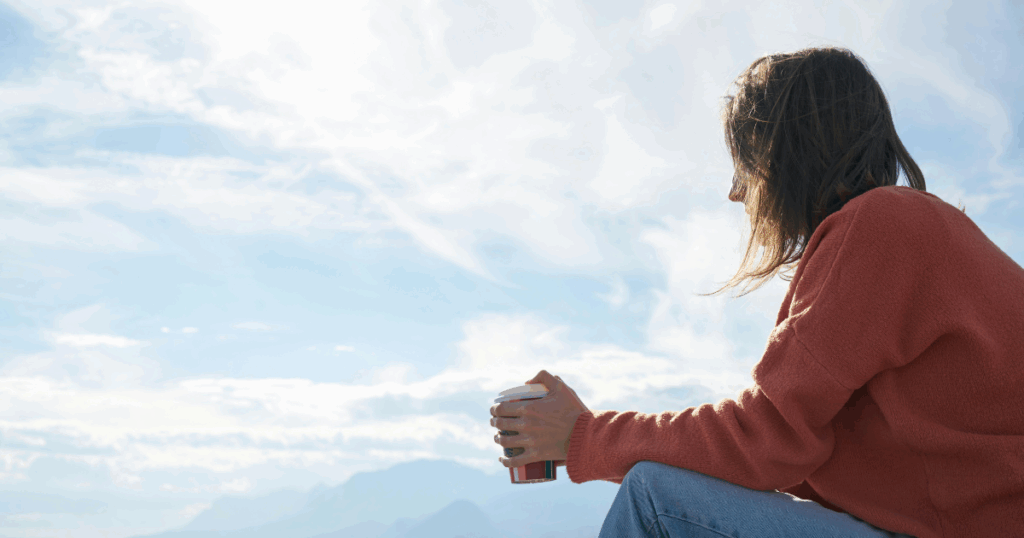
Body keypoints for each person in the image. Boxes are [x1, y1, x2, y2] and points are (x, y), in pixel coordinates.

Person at [489, 46, 1024, 538]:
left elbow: (768, 438)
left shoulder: (881, 227)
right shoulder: (926, 233)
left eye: (745, 161)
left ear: (785, 153)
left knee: (654, 497)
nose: (736, 190)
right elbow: (792, 452)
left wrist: (584, 437)